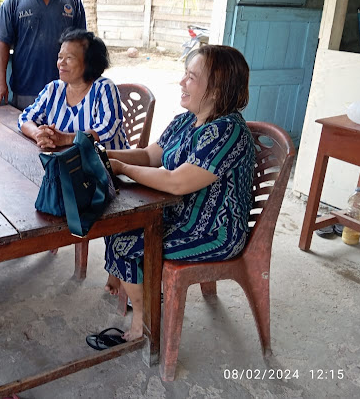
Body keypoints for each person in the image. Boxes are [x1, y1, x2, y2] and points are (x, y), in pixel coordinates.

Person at [104, 45, 256, 342]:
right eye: (184, 75)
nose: (182, 82)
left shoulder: (227, 131)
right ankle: (135, 285)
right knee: (117, 224)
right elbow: (150, 156)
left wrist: (120, 166)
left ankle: (144, 321)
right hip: (179, 215)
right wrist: (105, 154)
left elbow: (175, 182)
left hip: (213, 232)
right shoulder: (186, 120)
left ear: (216, 89)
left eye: (191, 77)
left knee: (123, 242)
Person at [18, 28, 127, 150]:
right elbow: (26, 117)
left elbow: (106, 129)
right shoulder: (53, 89)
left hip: (109, 164)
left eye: (69, 58)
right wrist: (37, 134)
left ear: (89, 62)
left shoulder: (104, 88)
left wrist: (66, 139)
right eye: (60, 57)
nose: (61, 63)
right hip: (69, 161)